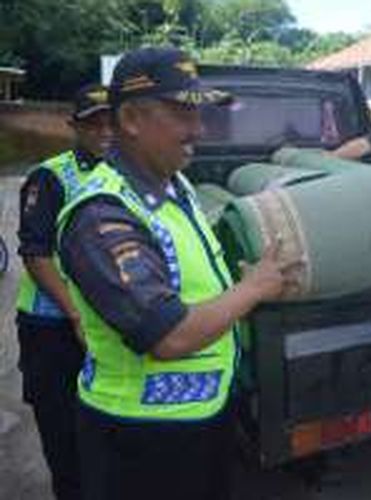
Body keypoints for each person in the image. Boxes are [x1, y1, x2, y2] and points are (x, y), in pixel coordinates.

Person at [56, 47, 298, 500]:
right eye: (182, 113)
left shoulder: (174, 183)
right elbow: (169, 336)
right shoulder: (102, 215)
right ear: (129, 119)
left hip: (198, 419)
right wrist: (252, 290)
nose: (198, 129)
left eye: (199, 113)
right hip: (140, 439)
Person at [15, 82, 111, 500]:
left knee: (102, 429)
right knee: (63, 435)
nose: (105, 131)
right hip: (52, 327)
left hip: (102, 326)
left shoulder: (127, 175)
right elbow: (36, 254)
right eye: (94, 124)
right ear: (75, 127)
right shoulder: (51, 177)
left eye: (113, 122)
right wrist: (75, 315)